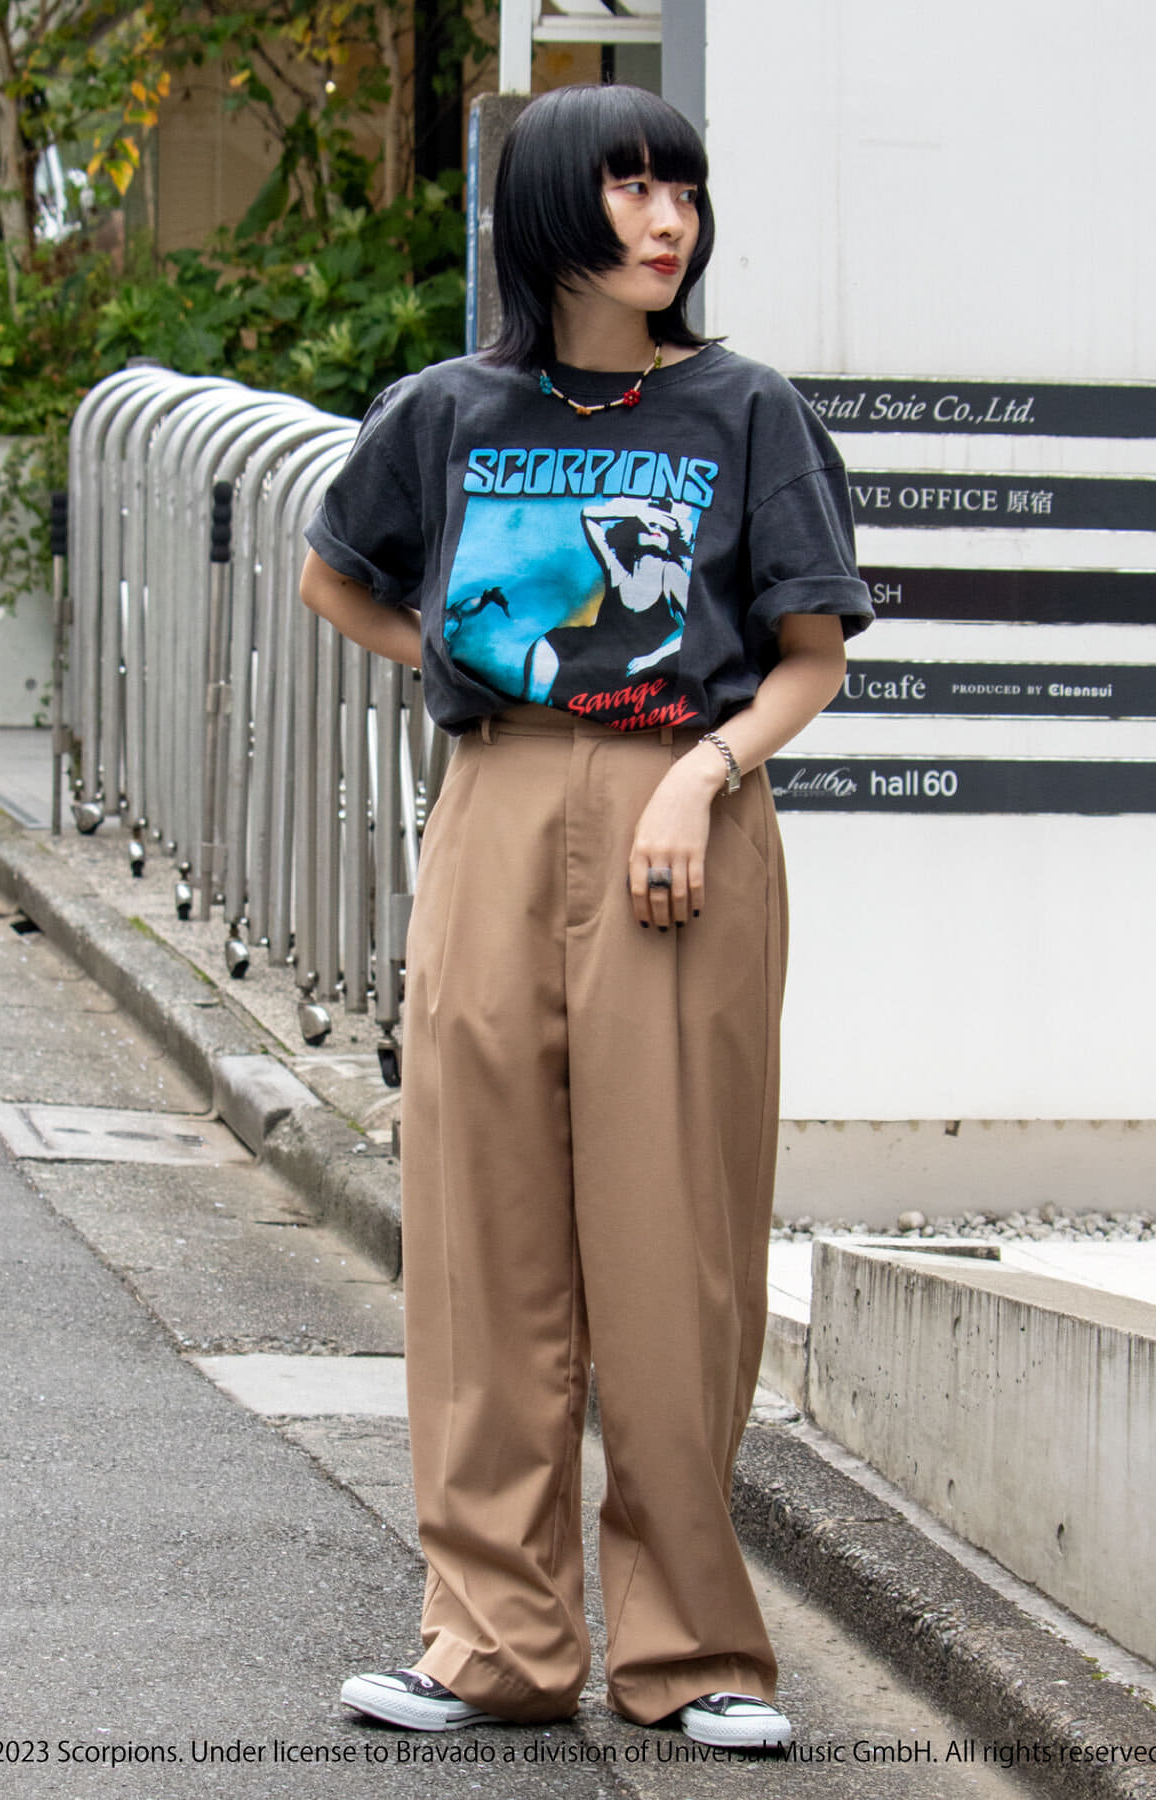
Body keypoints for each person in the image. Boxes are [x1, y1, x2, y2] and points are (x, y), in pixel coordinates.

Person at [299, 82, 873, 1751]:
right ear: (551, 210)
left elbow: (812, 658)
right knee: (480, 1235)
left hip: (683, 823)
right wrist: (461, 663)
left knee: (673, 1238)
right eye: (628, 188)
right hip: (496, 808)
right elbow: (338, 573)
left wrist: (700, 774)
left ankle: (694, 1652)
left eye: (679, 188)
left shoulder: (746, 412)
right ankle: (492, 1642)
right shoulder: (450, 411)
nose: (665, 218)